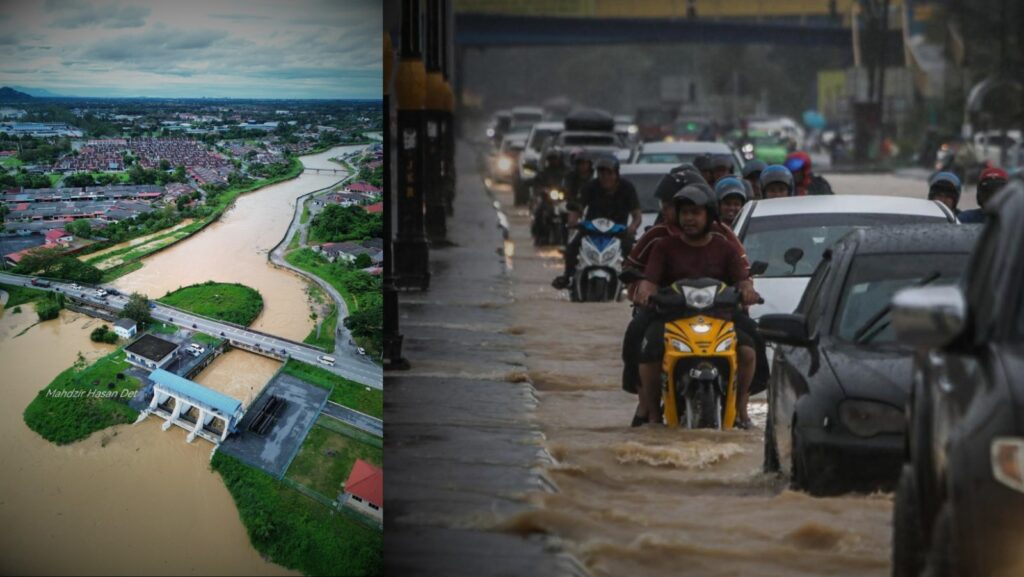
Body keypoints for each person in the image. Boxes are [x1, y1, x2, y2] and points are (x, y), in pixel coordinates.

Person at [631, 185, 761, 428]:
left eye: (695, 212)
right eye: (684, 212)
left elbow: (742, 278)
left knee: (750, 348)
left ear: (709, 215)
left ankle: (741, 408)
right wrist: (646, 293)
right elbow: (650, 281)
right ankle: (650, 412)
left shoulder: (726, 248)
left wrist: (747, 291)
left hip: (721, 317)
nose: (688, 218)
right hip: (672, 318)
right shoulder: (664, 247)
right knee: (645, 346)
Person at [552, 156, 641, 289]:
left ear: (616, 174)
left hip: (618, 232)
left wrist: (632, 227)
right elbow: (578, 208)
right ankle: (567, 277)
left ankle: (631, 284)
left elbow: (637, 215)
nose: (605, 177)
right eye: (601, 173)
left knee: (631, 250)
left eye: (609, 173)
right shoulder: (590, 187)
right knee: (572, 248)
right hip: (591, 231)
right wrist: (573, 221)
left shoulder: (627, 188)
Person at [561, 148, 594, 226]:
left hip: (593, 207)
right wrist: (574, 203)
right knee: (571, 223)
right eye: (580, 163)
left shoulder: (595, 176)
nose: (583, 166)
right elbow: (567, 191)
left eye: (585, 163)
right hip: (575, 206)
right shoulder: (570, 176)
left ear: (589, 164)